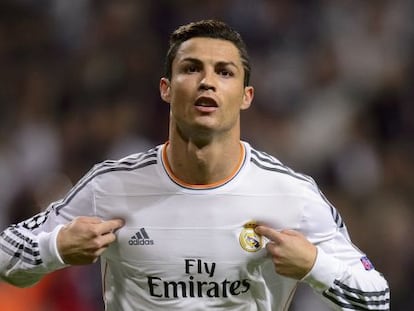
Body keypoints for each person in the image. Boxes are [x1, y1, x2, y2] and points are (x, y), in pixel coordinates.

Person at [0, 19, 390, 310]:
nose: (207, 82)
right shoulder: (110, 187)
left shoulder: (292, 196)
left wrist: (314, 265)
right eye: (191, 68)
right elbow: (4, 257)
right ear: (166, 88)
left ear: (246, 96)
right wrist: (56, 247)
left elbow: (376, 299)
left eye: (224, 72)